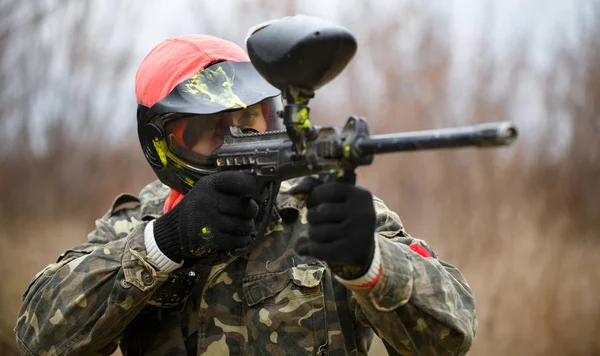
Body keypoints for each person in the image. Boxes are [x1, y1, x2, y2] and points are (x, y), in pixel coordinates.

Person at [15, 32, 477, 355]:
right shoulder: (136, 225)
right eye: (206, 129)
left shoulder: (325, 211)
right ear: (161, 143)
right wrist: (165, 244)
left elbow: (452, 337)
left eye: (249, 118)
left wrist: (371, 265)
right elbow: (39, 337)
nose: (237, 139)